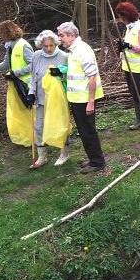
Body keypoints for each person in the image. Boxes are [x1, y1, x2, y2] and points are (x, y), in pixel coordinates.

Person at [54, 22, 106, 173]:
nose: (59, 39)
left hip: (84, 100)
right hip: (77, 99)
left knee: (88, 131)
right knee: (84, 131)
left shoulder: (82, 50)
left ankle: (97, 162)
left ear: (71, 35)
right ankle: (93, 159)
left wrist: (90, 102)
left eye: (61, 35)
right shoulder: (73, 50)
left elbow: (92, 77)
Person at [0, 20, 35, 146]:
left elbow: (33, 65)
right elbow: (6, 64)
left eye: (1, 33)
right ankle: (27, 137)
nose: (0, 36)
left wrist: (16, 72)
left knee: (31, 112)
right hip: (16, 85)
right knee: (20, 113)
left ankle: (36, 137)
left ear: (6, 32)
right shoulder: (10, 46)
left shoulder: (23, 45)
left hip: (27, 85)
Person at [27, 30, 70, 168]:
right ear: (41, 45)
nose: (49, 48)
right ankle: (42, 156)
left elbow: (67, 77)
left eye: (51, 45)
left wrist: (60, 73)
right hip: (40, 99)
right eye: (45, 46)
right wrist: (31, 93)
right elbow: (33, 77)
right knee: (39, 128)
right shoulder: (36, 56)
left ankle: (64, 153)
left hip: (57, 100)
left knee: (60, 126)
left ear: (55, 43)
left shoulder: (63, 56)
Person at [114, 2, 140, 134]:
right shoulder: (129, 27)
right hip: (128, 65)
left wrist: (129, 46)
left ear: (126, 16)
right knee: (132, 92)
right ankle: (139, 120)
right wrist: (122, 46)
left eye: (120, 16)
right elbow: (128, 45)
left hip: (138, 66)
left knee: (137, 92)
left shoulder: (139, 28)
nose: (119, 19)